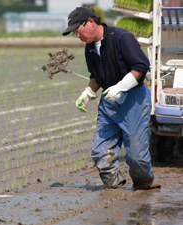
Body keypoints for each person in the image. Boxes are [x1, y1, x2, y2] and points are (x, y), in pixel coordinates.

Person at [62, 7, 154, 190]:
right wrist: (88, 92)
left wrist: (121, 87)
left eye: (77, 31)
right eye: (74, 34)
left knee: (136, 157)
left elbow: (141, 66)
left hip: (133, 101)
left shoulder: (121, 38)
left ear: (90, 22)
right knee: (100, 153)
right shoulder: (89, 48)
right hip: (108, 104)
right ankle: (115, 190)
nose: (78, 36)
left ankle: (144, 187)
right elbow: (96, 76)